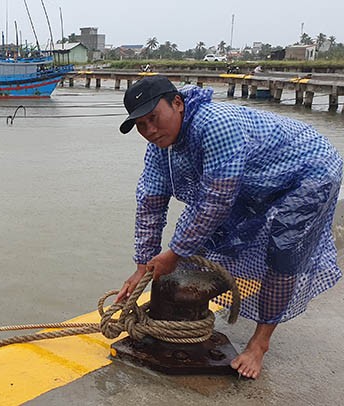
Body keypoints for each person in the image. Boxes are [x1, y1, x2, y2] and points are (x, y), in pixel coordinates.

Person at [114, 76, 343, 379]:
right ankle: (188, 318)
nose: (149, 130)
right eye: (141, 125)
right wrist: (143, 264)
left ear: (178, 103)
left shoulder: (214, 124)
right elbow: (150, 200)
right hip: (253, 180)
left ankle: (260, 343)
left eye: (153, 118)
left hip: (309, 171)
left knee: (283, 249)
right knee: (211, 241)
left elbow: (216, 201)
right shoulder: (160, 147)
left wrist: (175, 252)